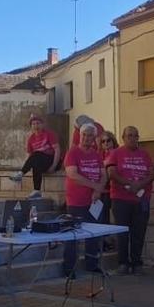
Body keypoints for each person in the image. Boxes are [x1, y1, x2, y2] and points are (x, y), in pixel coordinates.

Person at [61, 118, 108, 280]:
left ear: (94, 138)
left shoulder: (96, 155)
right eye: (84, 135)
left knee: (94, 234)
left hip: (94, 201)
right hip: (76, 201)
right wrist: (95, 187)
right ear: (80, 136)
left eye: (90, 136)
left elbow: (104, 175)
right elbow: (72, 174)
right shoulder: (72, 152)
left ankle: (92, 264)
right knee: (73, 236)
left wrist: (99, 189)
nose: (87, 138)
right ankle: (68, 267)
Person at [107, 126, 154, 275]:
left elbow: (152, 175)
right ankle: (123, 263)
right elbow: (111, 173)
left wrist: (139, 185)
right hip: (121, 199)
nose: (132, 138)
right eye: (129, 136)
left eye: (135, 136)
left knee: (139, 233)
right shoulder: (116, 153)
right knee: (122, 233)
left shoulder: (145, 154)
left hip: (141, 200)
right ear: (123, 138)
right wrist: (128, 184)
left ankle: (137, 263)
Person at [20, 115, 59, 196]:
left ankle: (21, 173)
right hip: (41, 162)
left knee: (37, 154)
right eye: (33, 124)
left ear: (42, 124)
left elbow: (57, 150)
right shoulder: (31, 138)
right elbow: (30, 156)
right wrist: (29, 166)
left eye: (38, 123)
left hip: (51, 160)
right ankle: (37, 190)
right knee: (35, 162)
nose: (36, 126)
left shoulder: (49, 134)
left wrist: (54, 166)